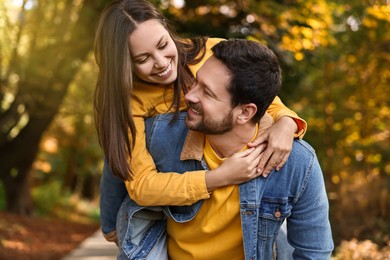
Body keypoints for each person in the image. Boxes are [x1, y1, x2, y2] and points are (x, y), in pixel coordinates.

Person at [94, 0, 306, 248]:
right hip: (166, 173)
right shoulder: (128, 100)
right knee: (115, 157)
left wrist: (287, 123)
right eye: (143, 58)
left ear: (167, 30)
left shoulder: (210, 54)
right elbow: (141, 185)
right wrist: (216, 177)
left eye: (163, 45)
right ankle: (111, 226)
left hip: (217, 182)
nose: (162, 62)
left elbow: (261, 99)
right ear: (124, 65)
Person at [117, 39, 333, 259]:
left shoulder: (298, 163)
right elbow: (119, 168)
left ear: (245, 113)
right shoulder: (162, 135)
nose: (189, 96)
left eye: (207, 93)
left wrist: (287, 121)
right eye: (196, 82)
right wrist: (109, 226)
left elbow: (314, 252)